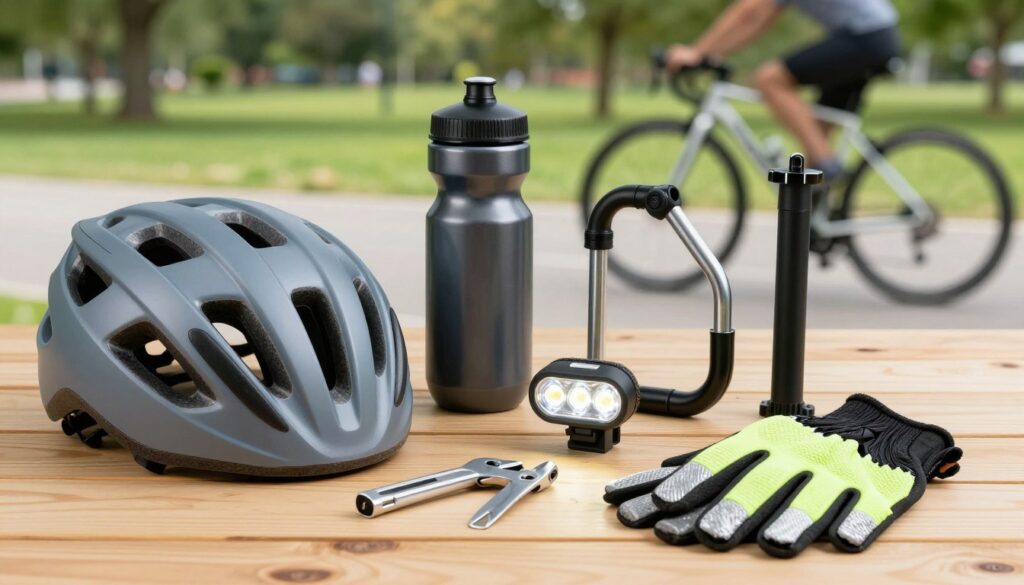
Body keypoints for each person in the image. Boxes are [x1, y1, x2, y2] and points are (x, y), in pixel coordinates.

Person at [666, 0, 901, 182]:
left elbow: (751, 14)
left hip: (865, 36)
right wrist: (713, 52)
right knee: (817, 132)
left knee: (770, 79)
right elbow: (757, 20)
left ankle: (829, 168)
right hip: (868, 36)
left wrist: (698, 53)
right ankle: (816, 222)